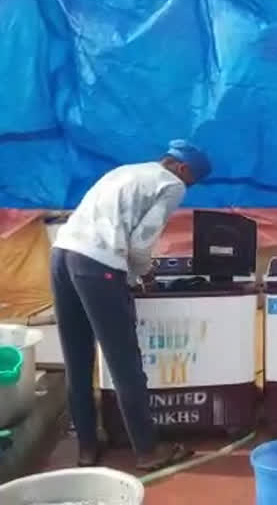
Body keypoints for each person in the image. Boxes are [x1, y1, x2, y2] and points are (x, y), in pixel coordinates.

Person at [50, 139, 211, 470]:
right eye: (191, 181)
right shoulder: (171, 184)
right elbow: (139, 246)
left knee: (77, 361)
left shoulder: (127, 171)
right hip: (97, 265)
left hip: (61, 253)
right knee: (124, 363)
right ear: (182, 169)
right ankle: (148, 451)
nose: (187, 188)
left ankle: (87, 447)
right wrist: (142, 274)